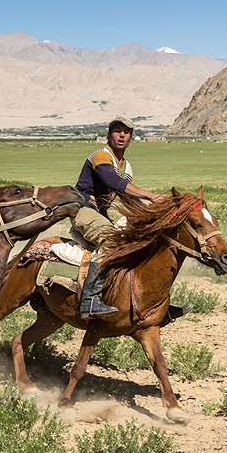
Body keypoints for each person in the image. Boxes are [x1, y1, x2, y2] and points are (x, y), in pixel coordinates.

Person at [72, 117, 189, 322]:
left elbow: (128, 198)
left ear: (131, 138)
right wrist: (151, 195)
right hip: (84, 208)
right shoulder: (101, 156)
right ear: (109, 136)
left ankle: (154, 305)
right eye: (117, 131)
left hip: (102, 214)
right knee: (111, 241)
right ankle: (89, 300)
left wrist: (153, 218)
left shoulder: (126, 167)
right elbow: (114, 182)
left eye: (126, 132)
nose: (122, 135)